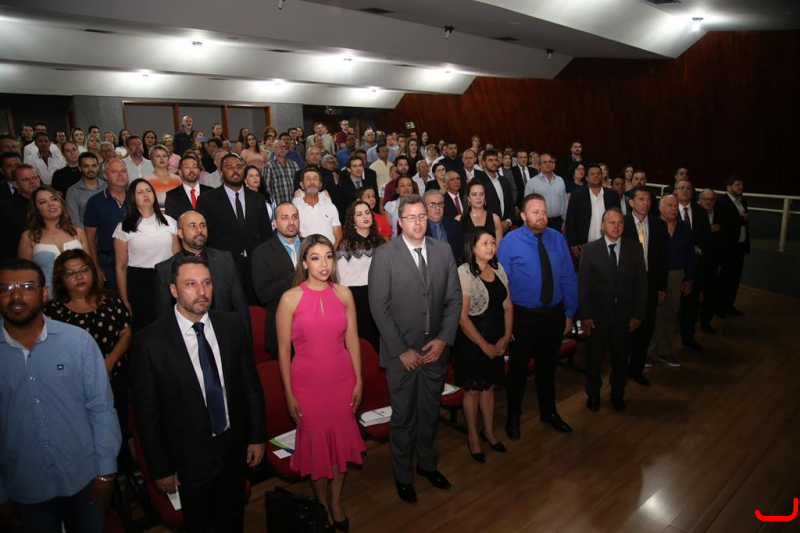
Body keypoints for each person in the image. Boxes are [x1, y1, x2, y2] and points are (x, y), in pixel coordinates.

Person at [130, 256, 266, 532]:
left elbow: (250, 386)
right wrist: (161, 468)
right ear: (173, 290)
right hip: (188, 458)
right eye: (190, 284)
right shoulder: (150, 342)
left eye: (206, 283)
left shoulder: (232, 326)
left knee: (233, 520)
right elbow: (147, 414)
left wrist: (256, 436)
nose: (201, 291)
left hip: (232, 450)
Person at [0, 258, 121, 533]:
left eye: (27, 287)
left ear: (44, 293)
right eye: (6, 289)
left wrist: (106, 471)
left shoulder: (77, 342)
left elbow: (101, 409)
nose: (16, 296)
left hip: (84, 479)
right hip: (22, 488)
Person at [368, 194, 461, 504]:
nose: (418, 222)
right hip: (401, 356)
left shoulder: (443, 251)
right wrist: (402, 350)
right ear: (400, 221)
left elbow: (454, 300)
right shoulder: (384, 255)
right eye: (411, 217)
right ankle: (403, 476)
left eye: (423, 216)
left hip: (435, 351)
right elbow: (379, 307)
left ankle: (428, 466)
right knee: (404, 418)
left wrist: (444, 339)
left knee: (430, 414)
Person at [276, 235, 365, 530]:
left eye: (328, 256)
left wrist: (359, 380)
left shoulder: (344, 294)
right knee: (317, 452)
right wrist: (288, 393)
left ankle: (336, 502)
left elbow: (353, 341)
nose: (324, 264)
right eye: (315, 258)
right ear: (304, 263)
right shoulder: (290, 299)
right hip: (307, 386)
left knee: (340, 449)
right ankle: (322, 504)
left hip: (342, 381)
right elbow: (283, 351)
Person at [497, 193, 578, 437]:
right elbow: (502, 285)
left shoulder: (557, 238)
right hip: (523, 317)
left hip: (553, 315)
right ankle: (513, 416)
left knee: (548, 368)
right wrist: (506, 324)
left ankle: (549, 411)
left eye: (543, 211)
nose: (541, 216)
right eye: (535, 212)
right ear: (523, 216)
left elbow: (568, 276)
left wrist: (570, 312)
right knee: (518, 370)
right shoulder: (510, 242)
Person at [45, 249, 132, 433]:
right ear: (61, 279)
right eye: (71, 273)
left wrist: (109, 363)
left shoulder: (112, 301)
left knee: (117, 429)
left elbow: (126, 334)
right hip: (72, 384)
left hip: (114, 377)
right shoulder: (52, 311)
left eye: (84, 270)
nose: (79, 277)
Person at [578, 209, 647, 412]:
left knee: (621, 358)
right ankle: (593, 394)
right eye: (611, 222)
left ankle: (618, 393)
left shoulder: (635, 248)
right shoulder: (590, 250)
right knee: (594, 359)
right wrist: (585, 315)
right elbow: (583, 286)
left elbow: (641, 285)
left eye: (620, 223)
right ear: (602, 225)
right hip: (597, 316)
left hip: (624, 315)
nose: (616, 226)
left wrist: (638, 314)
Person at [454, 227, 511, 462]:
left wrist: (506, 336)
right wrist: (484, 345)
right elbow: (462, 318)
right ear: (473, 246)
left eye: (492, 243)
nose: (490, 247)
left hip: (496, 338)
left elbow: (508, 306)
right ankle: (473, 437)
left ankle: (488, 431)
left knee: (489, 387)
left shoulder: (499, 269)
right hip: (472, 342)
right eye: (485, 243)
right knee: (474, 390)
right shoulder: (464, 272)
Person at [196, 154, 273, 304]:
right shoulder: (207, 200)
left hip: (254, 268)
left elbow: (266, 234)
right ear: (221, 172)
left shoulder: (257, 199)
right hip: (223, 269)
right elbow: (204, 237)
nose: (235, 170)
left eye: (239, 167)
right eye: (229, 167)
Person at [154, 210, 249, 325]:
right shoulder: (165, 269)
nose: (199, 230)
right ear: (180, 233)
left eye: (202, 225)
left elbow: (241, 306)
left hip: (225, 331)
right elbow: (164, 317)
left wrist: (244, 334)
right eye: (192, 226)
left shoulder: (226, 260)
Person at [113, 179, 180, 332]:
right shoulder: (124, 228)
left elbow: (177, 258)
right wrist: (124, 299)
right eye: (140, 192)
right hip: (139, 282)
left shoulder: (169, 222)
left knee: (170, 326)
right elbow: (121, 267)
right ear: (133, 198)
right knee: (145, 327)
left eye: (149, 191)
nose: (146, 195)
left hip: (167, 279)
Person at [622, 187, 669, 385]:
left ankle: (637, 369)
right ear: (631, 202)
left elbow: (663, 258)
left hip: (650, 283)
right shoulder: (621, 223)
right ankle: (621, 369)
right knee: (625, 328)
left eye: (648, 199)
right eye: (641, 199)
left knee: (646, 327)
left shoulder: (659, 225)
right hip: (627, 284)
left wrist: (662, 286)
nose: (645, 203)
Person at [648, 194, 694, 369]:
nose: (673, 209)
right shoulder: (651, 225)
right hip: (654, 274)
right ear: (660, 208)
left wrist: (688, 278)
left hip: (676, 274)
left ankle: (665, 350)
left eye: (675, 206)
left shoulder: (684, 228)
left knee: (670, 313)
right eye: (669, 205)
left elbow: (690, 254)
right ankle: (649, 352)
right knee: (653, 314)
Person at [18, 186, 90, 296]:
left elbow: (89, 266)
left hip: (80, 293)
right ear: (36, 209)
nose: (50, 204)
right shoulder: (28, 237)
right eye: (43, 202)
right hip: (46, 295)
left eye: (54, 199)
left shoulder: (78, 232)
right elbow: (24, 275)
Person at [336, 199, 385, 351]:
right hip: (357, 296)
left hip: (379, 293)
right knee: (363, 340)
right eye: (359, 214)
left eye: (367, 212)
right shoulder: (346, 244)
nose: (365, 216)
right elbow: (340, 278)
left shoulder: (380, 241)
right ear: (353, 220)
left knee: (381, 337)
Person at [675, 179, 710, 350]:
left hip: (694, 265)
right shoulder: (668, 209)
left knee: (691, 304)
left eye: (688, 188)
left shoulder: (701, 212)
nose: (684, 190)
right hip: (673, 265)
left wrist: (698, 248)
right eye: (681, 188)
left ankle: (688, 337)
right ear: (675, 191)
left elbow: (706, 236)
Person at [83, 159, 128, 291]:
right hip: (108, 262)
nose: (120, 174)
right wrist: (96, 268)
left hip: (135, 259)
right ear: (105, 175)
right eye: (114, 171)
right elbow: (90, 239)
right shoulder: (95, 202)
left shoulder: (136, 197)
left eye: (123, 171)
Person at [565, 164, 621, 258]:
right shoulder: (577, 195)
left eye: (598, 174)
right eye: (592, 174)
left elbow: (618, 218)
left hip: (609, 243)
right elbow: (570, 220)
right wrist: (573, 243)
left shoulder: (612, 195)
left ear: (602, 176)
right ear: (586, 178)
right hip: (584, 245)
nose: (596, 176)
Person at [715, 176, 749, 317]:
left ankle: (729, 305)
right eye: (737, 184)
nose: (741, 187)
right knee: (724, 279)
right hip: (728, 248)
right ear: (729, 187)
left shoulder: (742, 201)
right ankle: (719, 307)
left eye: (742, 184)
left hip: (740, 247)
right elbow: (725, 223)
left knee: (734, 279)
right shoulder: (722, 202)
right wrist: (741, 219)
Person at [293, 167, 342, 247]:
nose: (312, 182)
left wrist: (330, 253)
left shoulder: (330, 207)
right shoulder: (295, 209)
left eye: (315, 179)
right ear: (302, 185)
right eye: (308, 179)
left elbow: (338, 237)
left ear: (320, 185)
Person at [471, 149, 515, 232]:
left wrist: (508, 221)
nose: (494, 163)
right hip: (486, 229)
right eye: (490, 160)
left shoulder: (504, 180)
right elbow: (476, 207)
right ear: (483, 163)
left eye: (496, 160)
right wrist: (497, 224)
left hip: (506, 228)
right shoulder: (477, 181)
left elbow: (511, 203)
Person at [524, 154, 567, 231]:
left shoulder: (560, 180)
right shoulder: (532, 183)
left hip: (558, 221)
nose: (548, 164)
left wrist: (565, 219)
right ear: (539, 166)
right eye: (545, 162)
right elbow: (527, 205)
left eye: (550, 162)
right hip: (540, 221)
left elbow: (564, 201)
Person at [456, 180, 503, 246]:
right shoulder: (459, 220)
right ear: (468, 198)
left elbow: (499, 248)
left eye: (481, 194)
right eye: (474, 194)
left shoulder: (495, 219)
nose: (478, 197)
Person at [164, 155, 212, 219]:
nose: (192, 170)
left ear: (199, 170)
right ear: (180, 172)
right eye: (187, 167)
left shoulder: (211, 193)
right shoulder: (172, 196)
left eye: (195, 167)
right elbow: (171, 222)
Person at [66, 152, 107, 228]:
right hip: (84, 232)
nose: (90, 169)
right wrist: (88, 233)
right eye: (86, 166)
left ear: (98, 167)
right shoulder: (73, 191)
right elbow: (74, 220)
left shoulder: (108, 187)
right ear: (80, 168)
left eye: (93, 166)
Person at [424, 190, 464, 260]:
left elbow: (461, 252)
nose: (437, 208)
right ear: (424, 207)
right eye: (433, 204)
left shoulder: (455, 225)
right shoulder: (420, 228)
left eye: (440, 204)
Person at [145, 145, 181, 212]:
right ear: (152, 160)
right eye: (158, 156)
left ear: (168, 158)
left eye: (164, 156)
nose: (162, 158)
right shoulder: (146, 181)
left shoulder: (178, 179)